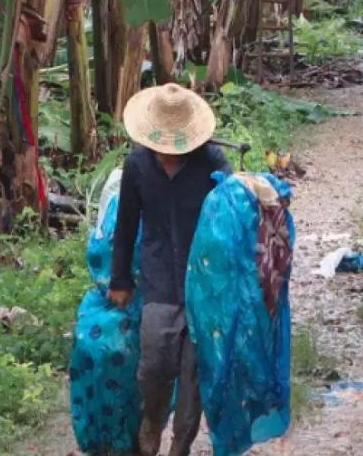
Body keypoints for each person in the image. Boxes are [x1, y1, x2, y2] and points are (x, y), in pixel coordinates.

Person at [108, 83, 231, 456]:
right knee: (155, 364)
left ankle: (181, 445)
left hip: (203, 285)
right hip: (159, 279)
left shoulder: (211, 161)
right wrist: (120, 279)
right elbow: (126, 224)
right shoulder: (137, 165)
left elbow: (234, 205)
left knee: (195, 376)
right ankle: (152, 425)